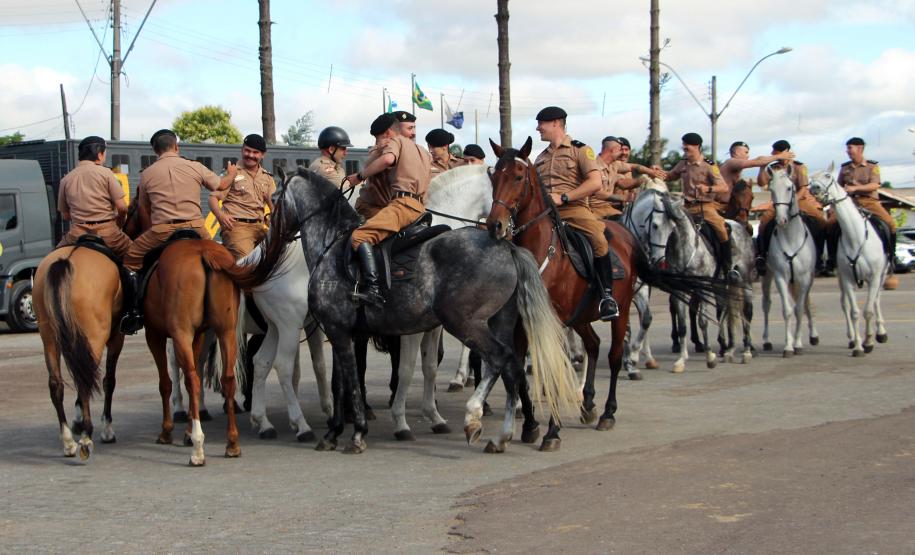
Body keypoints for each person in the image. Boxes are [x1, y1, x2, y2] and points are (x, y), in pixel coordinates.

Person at [119, 129, 234, 333]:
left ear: (155, 150)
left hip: (162, 230)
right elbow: (221, 184)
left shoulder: (147, 174)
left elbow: (145, 209)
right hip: (197, 227)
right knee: (219, 258)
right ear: (176, 146)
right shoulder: (195, 167)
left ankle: (133, 311)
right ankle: (231, 307)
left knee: (130, 259)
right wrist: (232, 174)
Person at [533, 106, 618, 320]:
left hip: (574, 210)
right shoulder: (539, 158)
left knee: (598, 239)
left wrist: (564, 197)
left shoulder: (580, 150)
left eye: (541, 124)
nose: (537, 128)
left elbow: (595, 182)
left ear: (555, 123)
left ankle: (607, 296)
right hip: (544, 214)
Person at [343, 112, 432, 306]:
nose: (380, 143)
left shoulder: (396, 141)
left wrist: (359, 176)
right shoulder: (423, 152)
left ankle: (373, 289)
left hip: (402, 205)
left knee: (359, 237)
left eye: (380, 138)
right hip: (421, 209)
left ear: (388, 133)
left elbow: (387, 161)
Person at [665, 132, 740, 281]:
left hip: (705, 207)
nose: (684, 147)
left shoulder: (709, 166)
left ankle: (728, 268)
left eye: (688, 145)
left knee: (721, 228)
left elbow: (723, 187)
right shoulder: (683, 162)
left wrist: (708, 189)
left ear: (697, 146)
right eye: (684, 144)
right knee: (663, 224)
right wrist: (657, 173)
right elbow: (671, 175)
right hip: (685, 207)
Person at [827, 137, 897, 288]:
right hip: (849, 203)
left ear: (860, 149)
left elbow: (874, 185)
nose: (847, 151)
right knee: (830, 224)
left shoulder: (872, 166)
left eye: (850, 148)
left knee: (890, 224)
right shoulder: (845, 168)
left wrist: (855, 188)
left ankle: (891, 256)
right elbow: (838, 187)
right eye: (847, 148)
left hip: (869, 202)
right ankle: (831, 259)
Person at [755, 140, 825, 274]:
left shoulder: (799, 167)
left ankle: (820, 257)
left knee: (821, 220)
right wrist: (762, 167)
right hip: (778, 202)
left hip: (800, 200)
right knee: (763, 223)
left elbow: (804, 188)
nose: (772, 154)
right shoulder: (773, 167)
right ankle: (762, 256)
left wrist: (792, 201)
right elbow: (761, 183)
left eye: (774, 151)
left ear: (783, 152)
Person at [56, 135, 132, 258]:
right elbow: (122, 208)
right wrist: (119, 224)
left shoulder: (66, 179)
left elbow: (65, 215)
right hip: (108, 234)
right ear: (99, 154)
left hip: (77, 235)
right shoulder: (107, 174)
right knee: (137, 256)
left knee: (53, 258)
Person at [208, 134, 276, 260]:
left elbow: (274, 206)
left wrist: (270, 207)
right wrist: (220, 216)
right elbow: (212, 197)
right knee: (247, 265)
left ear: (263, 154)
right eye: (247, 150)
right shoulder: (232, 173)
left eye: (255, 152)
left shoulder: (267, 177)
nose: (250, 155)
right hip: (237, 228)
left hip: (260, 228)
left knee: (280, 259)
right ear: (242, 150)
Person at [718, 140, 795, 228]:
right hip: (721, 207)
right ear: (736, 152)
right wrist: (779, 156)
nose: (748, 155)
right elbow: (757, 162)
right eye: (746, 152)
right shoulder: (731, 162)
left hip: (729, 208)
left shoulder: (797, 166)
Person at [354, 113, 399, 220]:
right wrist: (378, 151)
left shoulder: (400, 148)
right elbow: (370, 165)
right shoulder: (378, 150)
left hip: (392, 208)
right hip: (373, 207)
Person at [612, 137, 664, 207]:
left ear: (630, 151)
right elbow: (623, 183)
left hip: (630, 211)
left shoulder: (631, 171)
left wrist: (655, 173)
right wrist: (644, 178)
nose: (623, 153)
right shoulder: (611, 166)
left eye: (626, 150)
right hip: (611, 210)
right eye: (621, 150)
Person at [589, 136, 624, 220]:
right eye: (620, 150)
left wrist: (650, 172)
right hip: (594, 210)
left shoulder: (613, 165)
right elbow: (597, 193)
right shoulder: (593, 167)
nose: (621, 153)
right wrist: (623, 198)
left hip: (608, 208)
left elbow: (632, 167)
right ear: (613, 150)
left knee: (626, 222)